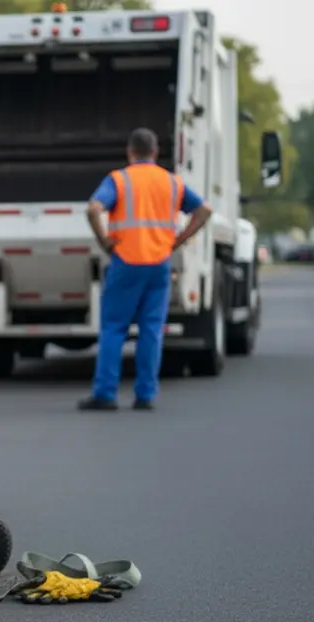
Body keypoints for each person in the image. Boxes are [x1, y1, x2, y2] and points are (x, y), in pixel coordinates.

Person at [78, 128, 214, 412]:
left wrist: (104, 241)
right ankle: (145, 395)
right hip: (158, 264)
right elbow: (204, 211)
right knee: (152, 330)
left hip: (126, 262)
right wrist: (179, 240)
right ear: (155, 153)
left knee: (114, 329)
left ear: (130, 152)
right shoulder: (172, 182)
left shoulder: (119, 179)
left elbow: (93, 209)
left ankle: (105, 394)